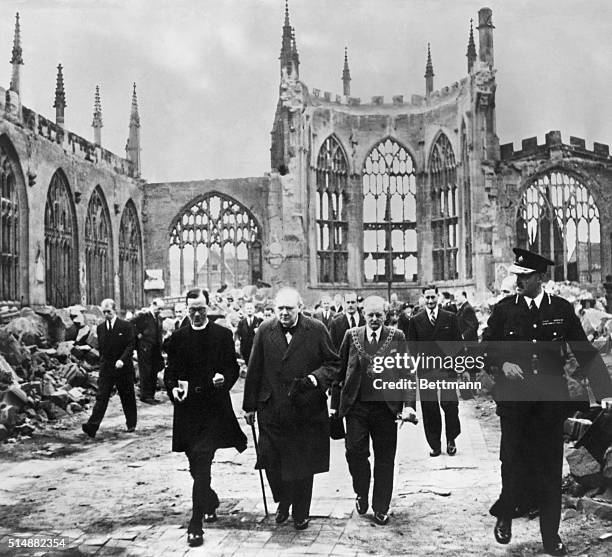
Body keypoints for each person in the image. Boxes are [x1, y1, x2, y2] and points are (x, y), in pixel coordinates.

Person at [484, 248, 612, 556]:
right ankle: (505, 514)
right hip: (514, 404)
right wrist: (502, 365)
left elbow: (583, 350)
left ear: (541, 278)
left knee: (549, 468)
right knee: (511, 461)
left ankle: (550, 536)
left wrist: (604, 392)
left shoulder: (562, 309)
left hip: (549, 406)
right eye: (517, 276)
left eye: (525, 277)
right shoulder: (504, 310)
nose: (519, 281)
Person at [243, 287, 340, 530]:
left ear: (300, 308)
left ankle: (300, 510)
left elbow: (333, 364)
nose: (284, 313)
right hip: (272, 408)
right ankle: (283, 499)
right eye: (280, 309)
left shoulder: (316, 329)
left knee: (303, 463)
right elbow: (254, 368)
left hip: (305, 410)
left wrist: (315, 379)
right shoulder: (265, 330)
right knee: (272, 461)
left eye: (289, 308)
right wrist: (249, 406)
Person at [164, 289, 247, 547]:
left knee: (203, 462)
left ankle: (195, 523)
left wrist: (225, 378)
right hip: (188, 410)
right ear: (185, 310)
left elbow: (232, 367)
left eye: (201, 309)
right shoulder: (177, 339)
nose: (197, 314)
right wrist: (173, 389)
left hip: (213, 409)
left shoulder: (221, 335)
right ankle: (209, 500)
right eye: (192, 310)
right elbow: (170, 373)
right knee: (194, 464)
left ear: (208, 308)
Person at [331, 296, 417, 525]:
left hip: (385, 409)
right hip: (356, 407)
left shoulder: (396, 337)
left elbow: (408, 373)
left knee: (385, 459)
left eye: (379, 315)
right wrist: (333, 406)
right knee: (355, 452)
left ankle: (381, 507)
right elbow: (339, 371)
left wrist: (408, 406)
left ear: (386, 315)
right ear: (363, 314)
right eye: (370, 315)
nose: (375, 319)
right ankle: (361, 491)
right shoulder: (352, 336)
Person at [407, 285, 463, 457]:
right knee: (430, 408)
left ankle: (451, 439)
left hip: (447, 370)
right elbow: (412, 347)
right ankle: (435, 445)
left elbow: (457, 344)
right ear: (423, 298)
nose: (430, 301)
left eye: (433, 297)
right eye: (427, 298)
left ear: (438, 297)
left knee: (450, 405)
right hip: (426, 371)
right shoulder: (415, 320)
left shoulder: (450, 318)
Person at [82, 299, 136, 438]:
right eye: (104, 312)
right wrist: (102, 365)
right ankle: (92, 427)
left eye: (109, 312)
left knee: (127, 396)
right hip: (107, 368)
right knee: (102, 396)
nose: (106, 315)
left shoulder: (125, 326)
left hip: (123, 368)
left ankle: (131, 423)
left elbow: (130, 345)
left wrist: (122, 360)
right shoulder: (100, 328)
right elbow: (102, 349)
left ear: (115, 311)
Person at [131, 298, 165, 404]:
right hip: (144, 348)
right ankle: (145, 396)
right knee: (145, 372)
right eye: (158, 308)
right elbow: (130, 324)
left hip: (155, 349)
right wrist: (138, 334)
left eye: (161, 309)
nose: (159, 311)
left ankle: (151, 395)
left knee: (153, 371)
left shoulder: (159, 318)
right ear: (153, 305)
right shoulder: (143, 316)